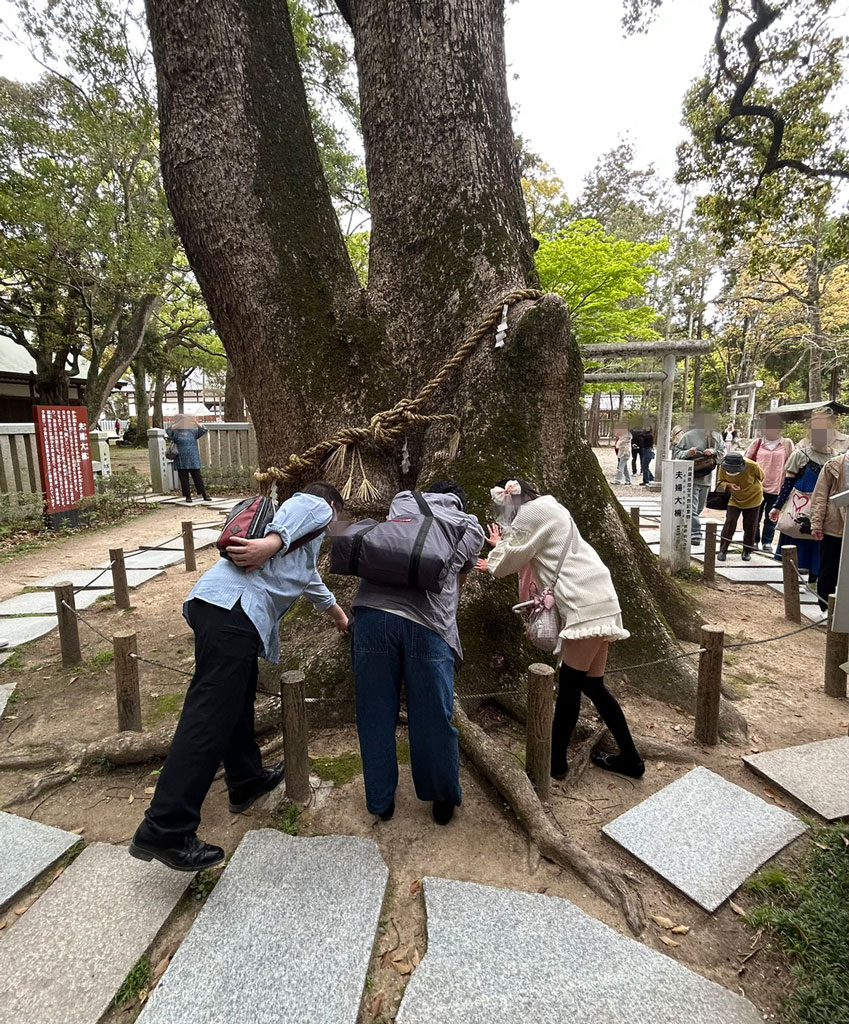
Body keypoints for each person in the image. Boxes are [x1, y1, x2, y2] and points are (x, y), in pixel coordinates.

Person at [130, 483, 349, 870]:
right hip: (233, 611)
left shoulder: (302, 550)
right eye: (338, 517)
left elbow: (312, 585)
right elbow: (308, 505)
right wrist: (272, 543)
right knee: (208, 717)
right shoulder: (312, 509)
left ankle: (245, 780)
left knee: (235, 702)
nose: (335, 525)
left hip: (221, 609)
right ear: (333, 507)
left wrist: (340, 619)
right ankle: (165, 828)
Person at [477, 479, 643, 780]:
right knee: (591, 686)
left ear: (512, 500)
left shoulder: (528, 514)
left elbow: (503, 566)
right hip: (600, 595)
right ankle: (631, 758)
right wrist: (503, 548)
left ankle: (555, 764)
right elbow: (523, 551)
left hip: (584, 604)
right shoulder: (551, 506)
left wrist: (496, 552)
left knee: (568, 686)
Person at [351, 482, 485, 825]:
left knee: (375, 712)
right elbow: (458, 578)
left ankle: (381, 802)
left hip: (371, 615)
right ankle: (441, 800)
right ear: (460, 501)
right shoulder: (470, 525)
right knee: (433, 717)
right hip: (428, 626)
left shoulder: (402, 501)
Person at [769, 414, 837, 586]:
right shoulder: (800, 456)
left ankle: (815, 579)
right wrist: (777, 506)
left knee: (819, 545)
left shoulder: (837, 458)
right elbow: (788, 483)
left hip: (825, 510)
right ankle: (793, 581)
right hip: (799, 507)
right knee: (796, 543)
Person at [673, 413, 726, 547]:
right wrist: (688, 453)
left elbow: (722, 454)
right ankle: (696, 533)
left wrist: (713, 452)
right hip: (692, 476)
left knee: (699, 508)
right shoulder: (688, 436)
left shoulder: (716, 436)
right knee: (692, 507)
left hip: (707, 477)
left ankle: (691, 528)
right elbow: (676, 454)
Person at [744, 415, 794, 553]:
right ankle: (753, 540)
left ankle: (767, 542)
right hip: (757, 486)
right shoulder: (758, 443)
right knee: (755, 516)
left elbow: (792, 463)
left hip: (778, 486)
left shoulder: (787, 444)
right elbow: (746, 461)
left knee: (771, 516)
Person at [811, 450, 848, 612]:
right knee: (829, 570)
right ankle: (825, 608)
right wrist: (816, 524)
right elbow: (819, 496)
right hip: (834, 527)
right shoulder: (833, 466)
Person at [716, 452, 764, 562]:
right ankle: (723, 550)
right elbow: (721, 481)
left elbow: (762, 477)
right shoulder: (723, 467)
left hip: (753, 498)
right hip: (734, 498)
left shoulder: (752, 465)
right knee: (730, 522)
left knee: (750, 525)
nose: (732, 472)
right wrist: (729, 485)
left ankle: (747, 550)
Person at [167, 415, 211, 503]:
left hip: (193, 458)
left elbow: (204, 430)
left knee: (197, 477)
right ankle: (188, 496)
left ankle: (204, 494)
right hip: (181, 458)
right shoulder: (175, 432)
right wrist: (178, 423)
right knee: (184, 478)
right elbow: (168, 431)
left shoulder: (193, 432)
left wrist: (195, 422)